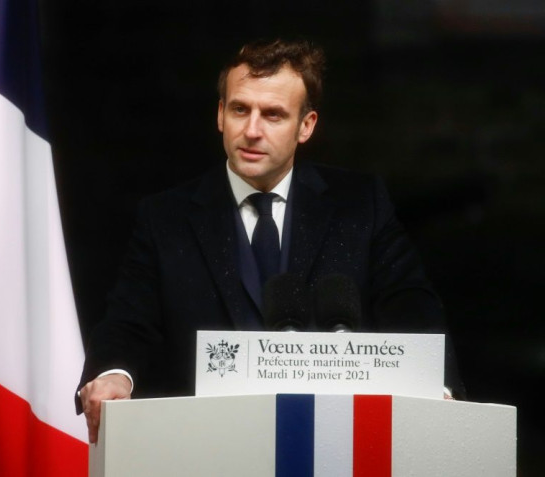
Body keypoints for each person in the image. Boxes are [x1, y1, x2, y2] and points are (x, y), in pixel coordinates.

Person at [77, 38, 464, 443]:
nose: (252, 130)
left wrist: (434, 388)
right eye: (240, 109)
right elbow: (128, 320)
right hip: (204, 444)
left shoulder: (359, 206)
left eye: (274, 114)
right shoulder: (166, 217)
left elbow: (411, 304)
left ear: (306, 126)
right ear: (220, 115)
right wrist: (111, 375)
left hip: (330, 442)